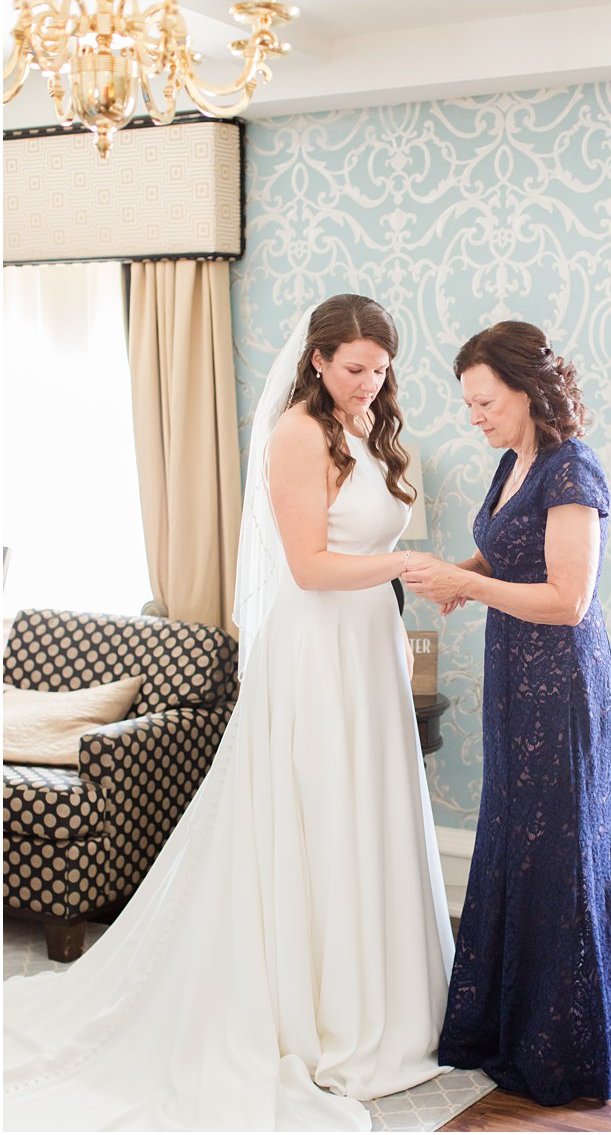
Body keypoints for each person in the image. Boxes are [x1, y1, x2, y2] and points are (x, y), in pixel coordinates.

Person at [3, 294, 454, 1131]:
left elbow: (367, 559)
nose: (369, 382)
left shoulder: (371, 431)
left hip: (367, 647)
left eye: (382, 369)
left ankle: (388, 1008)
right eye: (355, 367)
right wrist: (404, 562)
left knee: (371, 816)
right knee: (320, 815)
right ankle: (317, 1012)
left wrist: (397, 614)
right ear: (316, 360)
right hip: (316, 650)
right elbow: (312, 568)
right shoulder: (295, 434)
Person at [401, 320, 611, 1105]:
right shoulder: (516, 461)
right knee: (518, 838)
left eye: (483, 401)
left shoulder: (572, 467)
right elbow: (512, 552)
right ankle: (507, 1026)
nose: (474, 416)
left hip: (560, 679)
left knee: (558, 846)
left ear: (525, 389)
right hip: (516, 675)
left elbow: (568, 599)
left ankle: (567, 1047)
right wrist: (457, 572)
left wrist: (468, 586)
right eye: (469, 403)